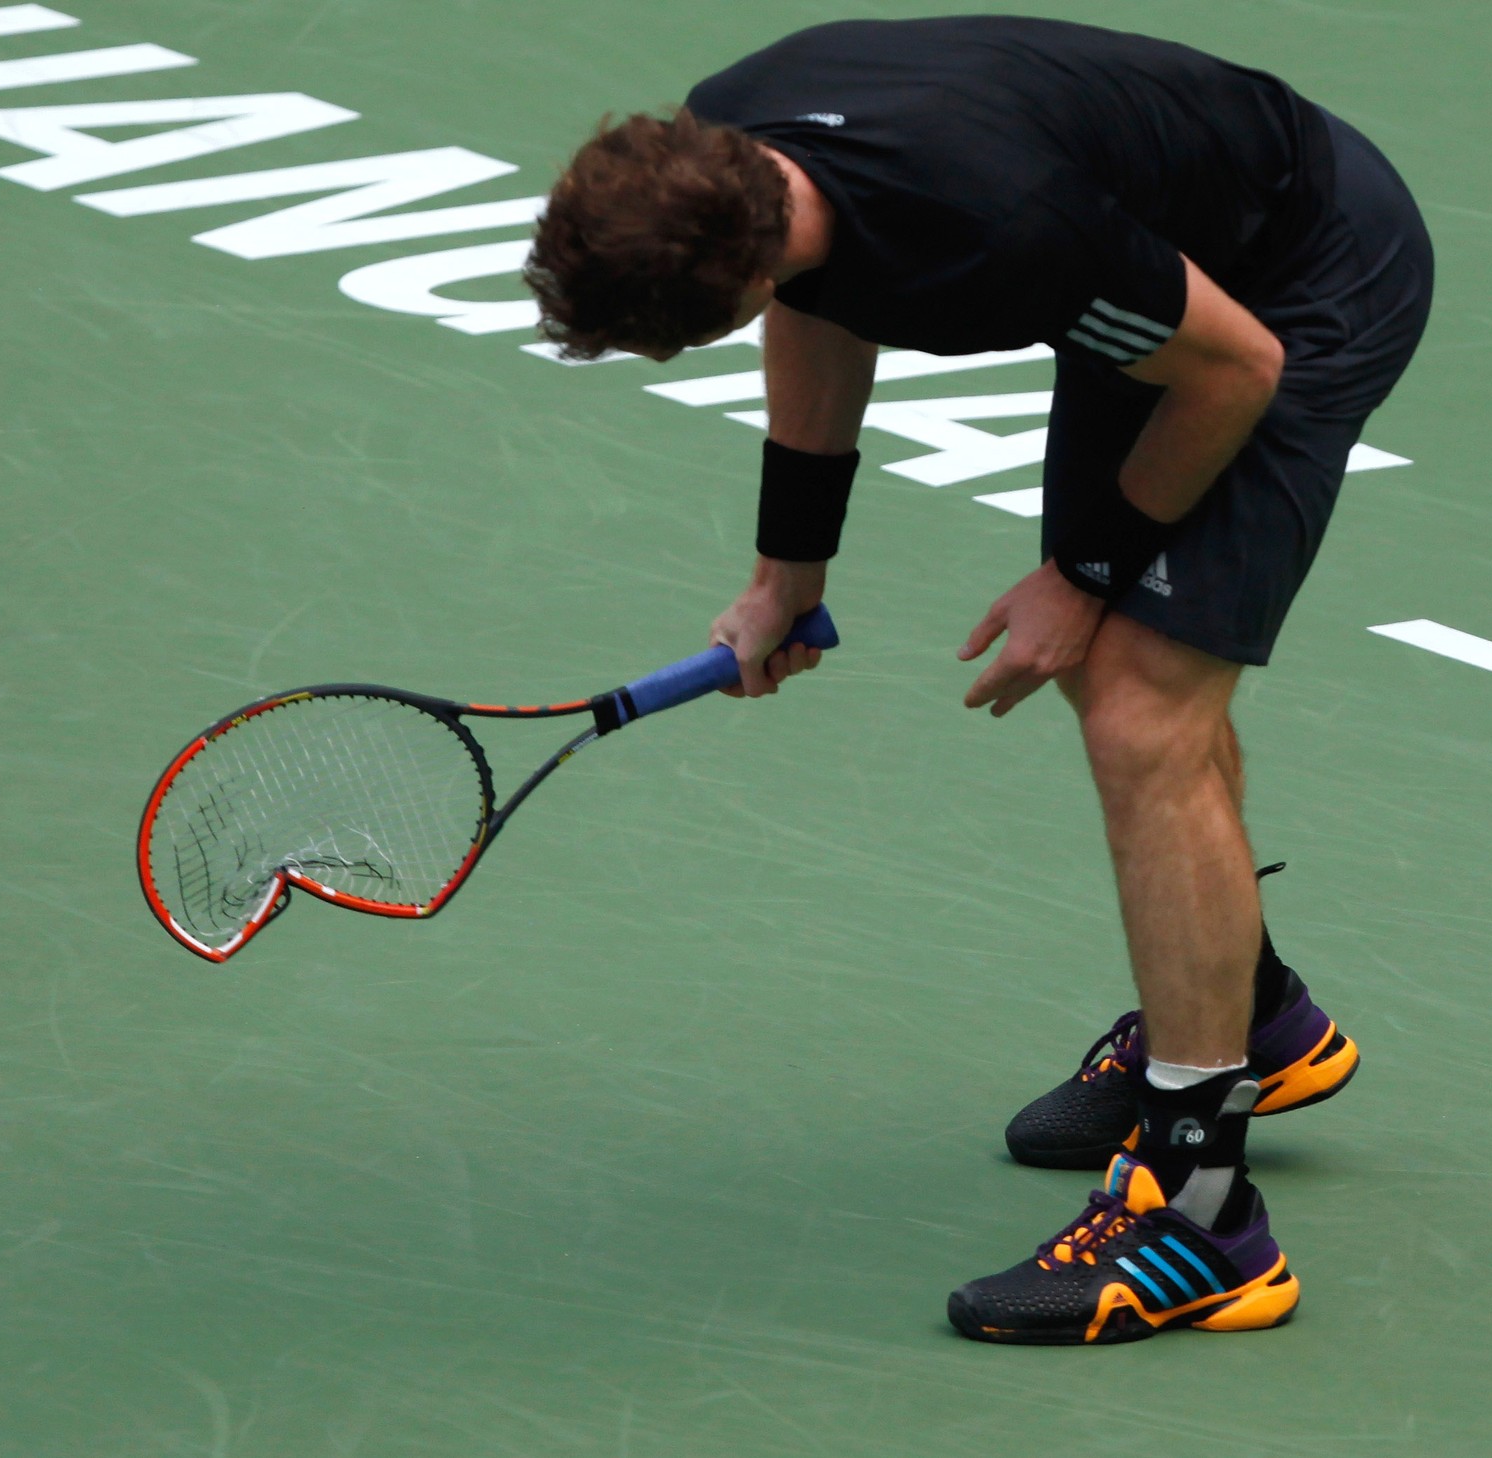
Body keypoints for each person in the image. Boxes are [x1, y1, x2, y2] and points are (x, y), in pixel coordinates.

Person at [523, 15, 1433, 1345]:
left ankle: (1201, 1214)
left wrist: (1083, 569)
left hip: (1294, 279)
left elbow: (1236, 368)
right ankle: (1248, 1022)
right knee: (1119, 686)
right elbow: (821, 303)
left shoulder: (996, 233)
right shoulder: (744, 144)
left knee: (1138, 700)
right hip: (1158, 266)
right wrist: (790, 571)